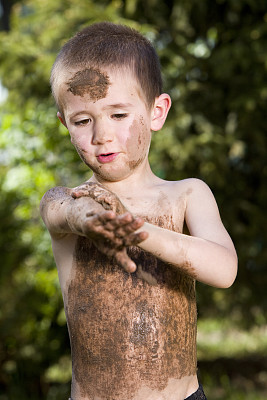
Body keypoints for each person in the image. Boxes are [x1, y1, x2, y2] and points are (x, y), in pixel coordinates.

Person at [40, 22, 238, 400]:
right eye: (83, 121)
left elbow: (225, 270)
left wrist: (138, 231)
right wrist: (89, 219)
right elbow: (62, 213)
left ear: (156, 112)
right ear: (66, 125)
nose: (102, 135)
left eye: (118, 115)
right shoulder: (67, 200)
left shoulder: (187, 194)